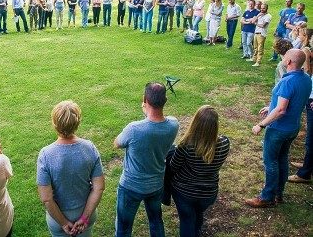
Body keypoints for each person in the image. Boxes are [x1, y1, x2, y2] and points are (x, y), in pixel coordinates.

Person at [245, 49, 312, 207]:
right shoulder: (306, 79)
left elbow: (281, 110)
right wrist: (271, 106)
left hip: (278, 130)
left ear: (288, 62)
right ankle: (278, 195)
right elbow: (292, 101)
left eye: (285, 57)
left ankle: (267, 197)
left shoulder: (287, 81)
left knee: (271, 162)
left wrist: (261, 124)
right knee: (282, 159)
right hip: (293, 128)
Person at [114, 82, 179, 237]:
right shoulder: (173, 124)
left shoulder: (134, 128)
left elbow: (117, 143)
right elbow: (157, 124)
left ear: (145, 100)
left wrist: (145, 114)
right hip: (156, 185)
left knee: (123, 227)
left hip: (131, 186)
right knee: (156, 221)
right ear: (165, 100)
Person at [37, 101, 105, 237]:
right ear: (78, 122)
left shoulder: (46, 154)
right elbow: (99, 188)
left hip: (58, 217)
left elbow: (46, 199)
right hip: (86, 211)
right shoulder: (90, 148)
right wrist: (85, 218)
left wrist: (63, 223)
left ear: (54, 122)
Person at [168, 106, 230, 237]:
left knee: (186, 220)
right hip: (208, 193)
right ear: (215, 125)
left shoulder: (186, 145)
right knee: (198, 214)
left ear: (195, 122)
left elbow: (173, 167)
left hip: (184, 192)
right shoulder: (225, 143)